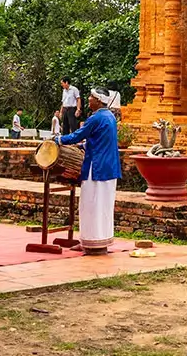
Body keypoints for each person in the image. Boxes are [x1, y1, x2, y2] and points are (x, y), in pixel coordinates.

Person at [57, 88, 121, 255]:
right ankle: (99, 240)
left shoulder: (96, 117)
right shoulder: (110, 117)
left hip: (97, 168)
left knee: (90, 205)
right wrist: (84, 146)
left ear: (99, 100)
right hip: (110, 167)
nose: (89, 99)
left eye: (91, 97)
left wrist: (58, 139)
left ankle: (91, 242)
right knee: (104, 206)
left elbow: (77, 135)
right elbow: (100, 140)